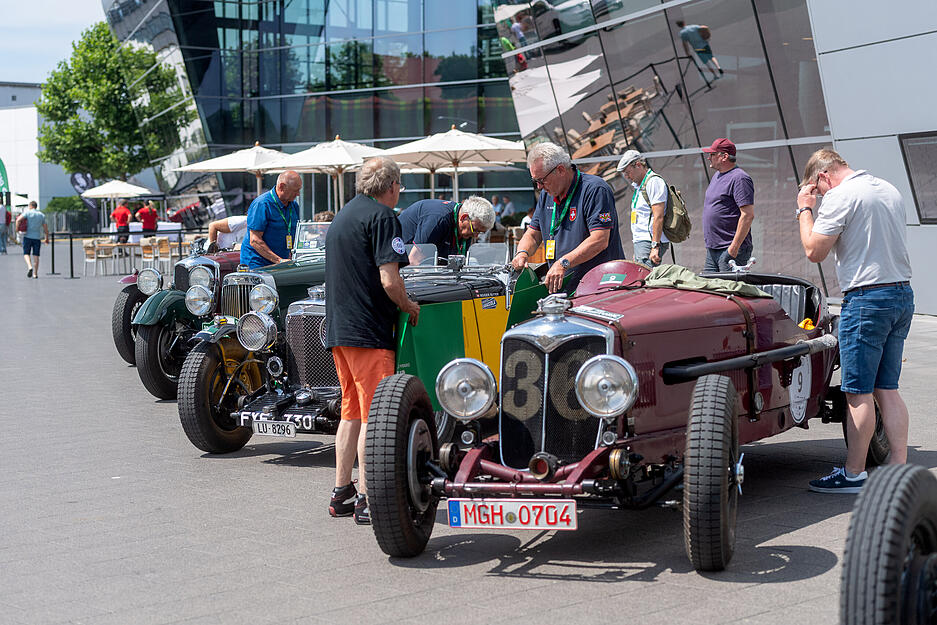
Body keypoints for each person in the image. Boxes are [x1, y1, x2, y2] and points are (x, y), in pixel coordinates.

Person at [795, 148, 913, 493]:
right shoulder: (888, 189)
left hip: (866, 300)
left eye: (818, 190)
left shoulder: (841, 195)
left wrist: (805, 209)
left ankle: (853, 473)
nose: (821, 196)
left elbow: (814, 250)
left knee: (857, 391)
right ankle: (898, 467)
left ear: (823, 177)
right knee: (887, 388)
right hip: (901, 294)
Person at [325, 156, 420, 525]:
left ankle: (341, 492)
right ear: (392, 186)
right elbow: (389, 280)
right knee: (375, 416)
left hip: (340, 330)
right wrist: (408, 305)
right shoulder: (383, 217)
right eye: (399, 186)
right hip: (368, 330)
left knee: (350, 412)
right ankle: (367, 497)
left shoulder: (342, 216)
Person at [512, 142, 624, 293]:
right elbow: (533, 234)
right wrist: (522, 252)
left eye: (541, 180)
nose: (539, 187)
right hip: (565, 288)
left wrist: (564, 263)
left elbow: (600, 240)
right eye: (535, 181)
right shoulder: (546, 195)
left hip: (599, 287)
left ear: (560, 170)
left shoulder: (595, 189)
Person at [701, 138, 754, 272]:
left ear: (724, 156)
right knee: (708, 285)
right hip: (713, 250)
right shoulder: (717, 176)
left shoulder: (740, 178)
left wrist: (733, 248)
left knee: (727, 286)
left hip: (730, 250)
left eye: (712, 154)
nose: (709, 158)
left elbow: (747, 215)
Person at [398, 196, 495, 261]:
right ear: (464, 217)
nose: (476, 236)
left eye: (481, 232)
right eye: (475, 230)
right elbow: (414, 261)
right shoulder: (439, 219)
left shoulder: (467, 229)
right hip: (399, 254)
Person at [617, 150, 670, 267]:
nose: (626, 176)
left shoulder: (654, 182)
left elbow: (658, 216)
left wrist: (655, 246)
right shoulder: (640, 185)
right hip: (642, 242)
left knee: (644, 276)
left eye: (628, 172)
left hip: (649, 241)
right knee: (642, 275)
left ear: (638, 165)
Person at [239, 171, 302, 268]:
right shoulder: (262, 204)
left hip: (280, 262)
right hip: (257, 264)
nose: (298, 194)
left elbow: (296, 236)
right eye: (295, 190)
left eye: (299, 190)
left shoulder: (293, 205)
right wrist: (278, 260)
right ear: (281, 187)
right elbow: (255, 240)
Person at [16, 201, 49, 279]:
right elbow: (45, 228)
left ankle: (29, 266)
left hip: (27, 236)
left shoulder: (27, 213)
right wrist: (47, 238)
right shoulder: (41, 215)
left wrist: (17, 229)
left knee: (26, 253)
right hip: (37, 237)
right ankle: (35, 274)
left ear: (30, 206)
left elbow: (18, 220)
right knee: (36, 255)